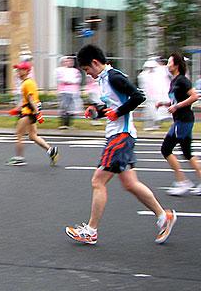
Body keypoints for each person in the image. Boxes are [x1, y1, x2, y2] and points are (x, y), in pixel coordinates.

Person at [65, 45, 176, 245]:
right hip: (120, 135)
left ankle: (91, 230)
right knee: (130, 183)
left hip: (120, 136)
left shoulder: (113, 77)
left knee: (97, 181)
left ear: (95, 63)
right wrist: (98, 112)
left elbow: (138, 96)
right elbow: (114, 106)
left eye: (87, 70)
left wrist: (117, 113)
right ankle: (163, 216)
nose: (87, 74)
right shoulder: (105, 79)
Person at [156, 52, 201, 196]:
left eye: (169, 62)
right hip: (182, 120)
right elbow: (176, 100)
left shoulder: (182, 80)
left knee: (166, 149)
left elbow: (194, 96)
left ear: (176, 65)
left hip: (183, 120)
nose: (168, 65)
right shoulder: (174, 81)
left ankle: (182, 182)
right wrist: (165, 103)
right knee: (188, 153)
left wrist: (177, 107)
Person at [6, 61, 58, 166]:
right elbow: (27, 100)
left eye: (20, 70)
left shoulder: (27, 83)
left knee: (19, 134)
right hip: (29, 112)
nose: (18, 72)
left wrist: (37, 114)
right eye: (17, 70)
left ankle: (19, 158)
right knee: (32, 136)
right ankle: (51, 150)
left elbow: (31, 100)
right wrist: (17, 109)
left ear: (26, 71)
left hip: (28, 113)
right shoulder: (27, 82)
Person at [56, 56, 82, 129]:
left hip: (73, 91)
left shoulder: (75, 71)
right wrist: (70, 81)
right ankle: (63, 123)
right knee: (64, 107)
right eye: (67, 61)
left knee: (72, 109)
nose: (69, 63)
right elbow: (62, 79)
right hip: (64, 91)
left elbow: (77, 80)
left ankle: (69, 124)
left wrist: (70, 81)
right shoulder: (60, 70)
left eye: (71, 61)